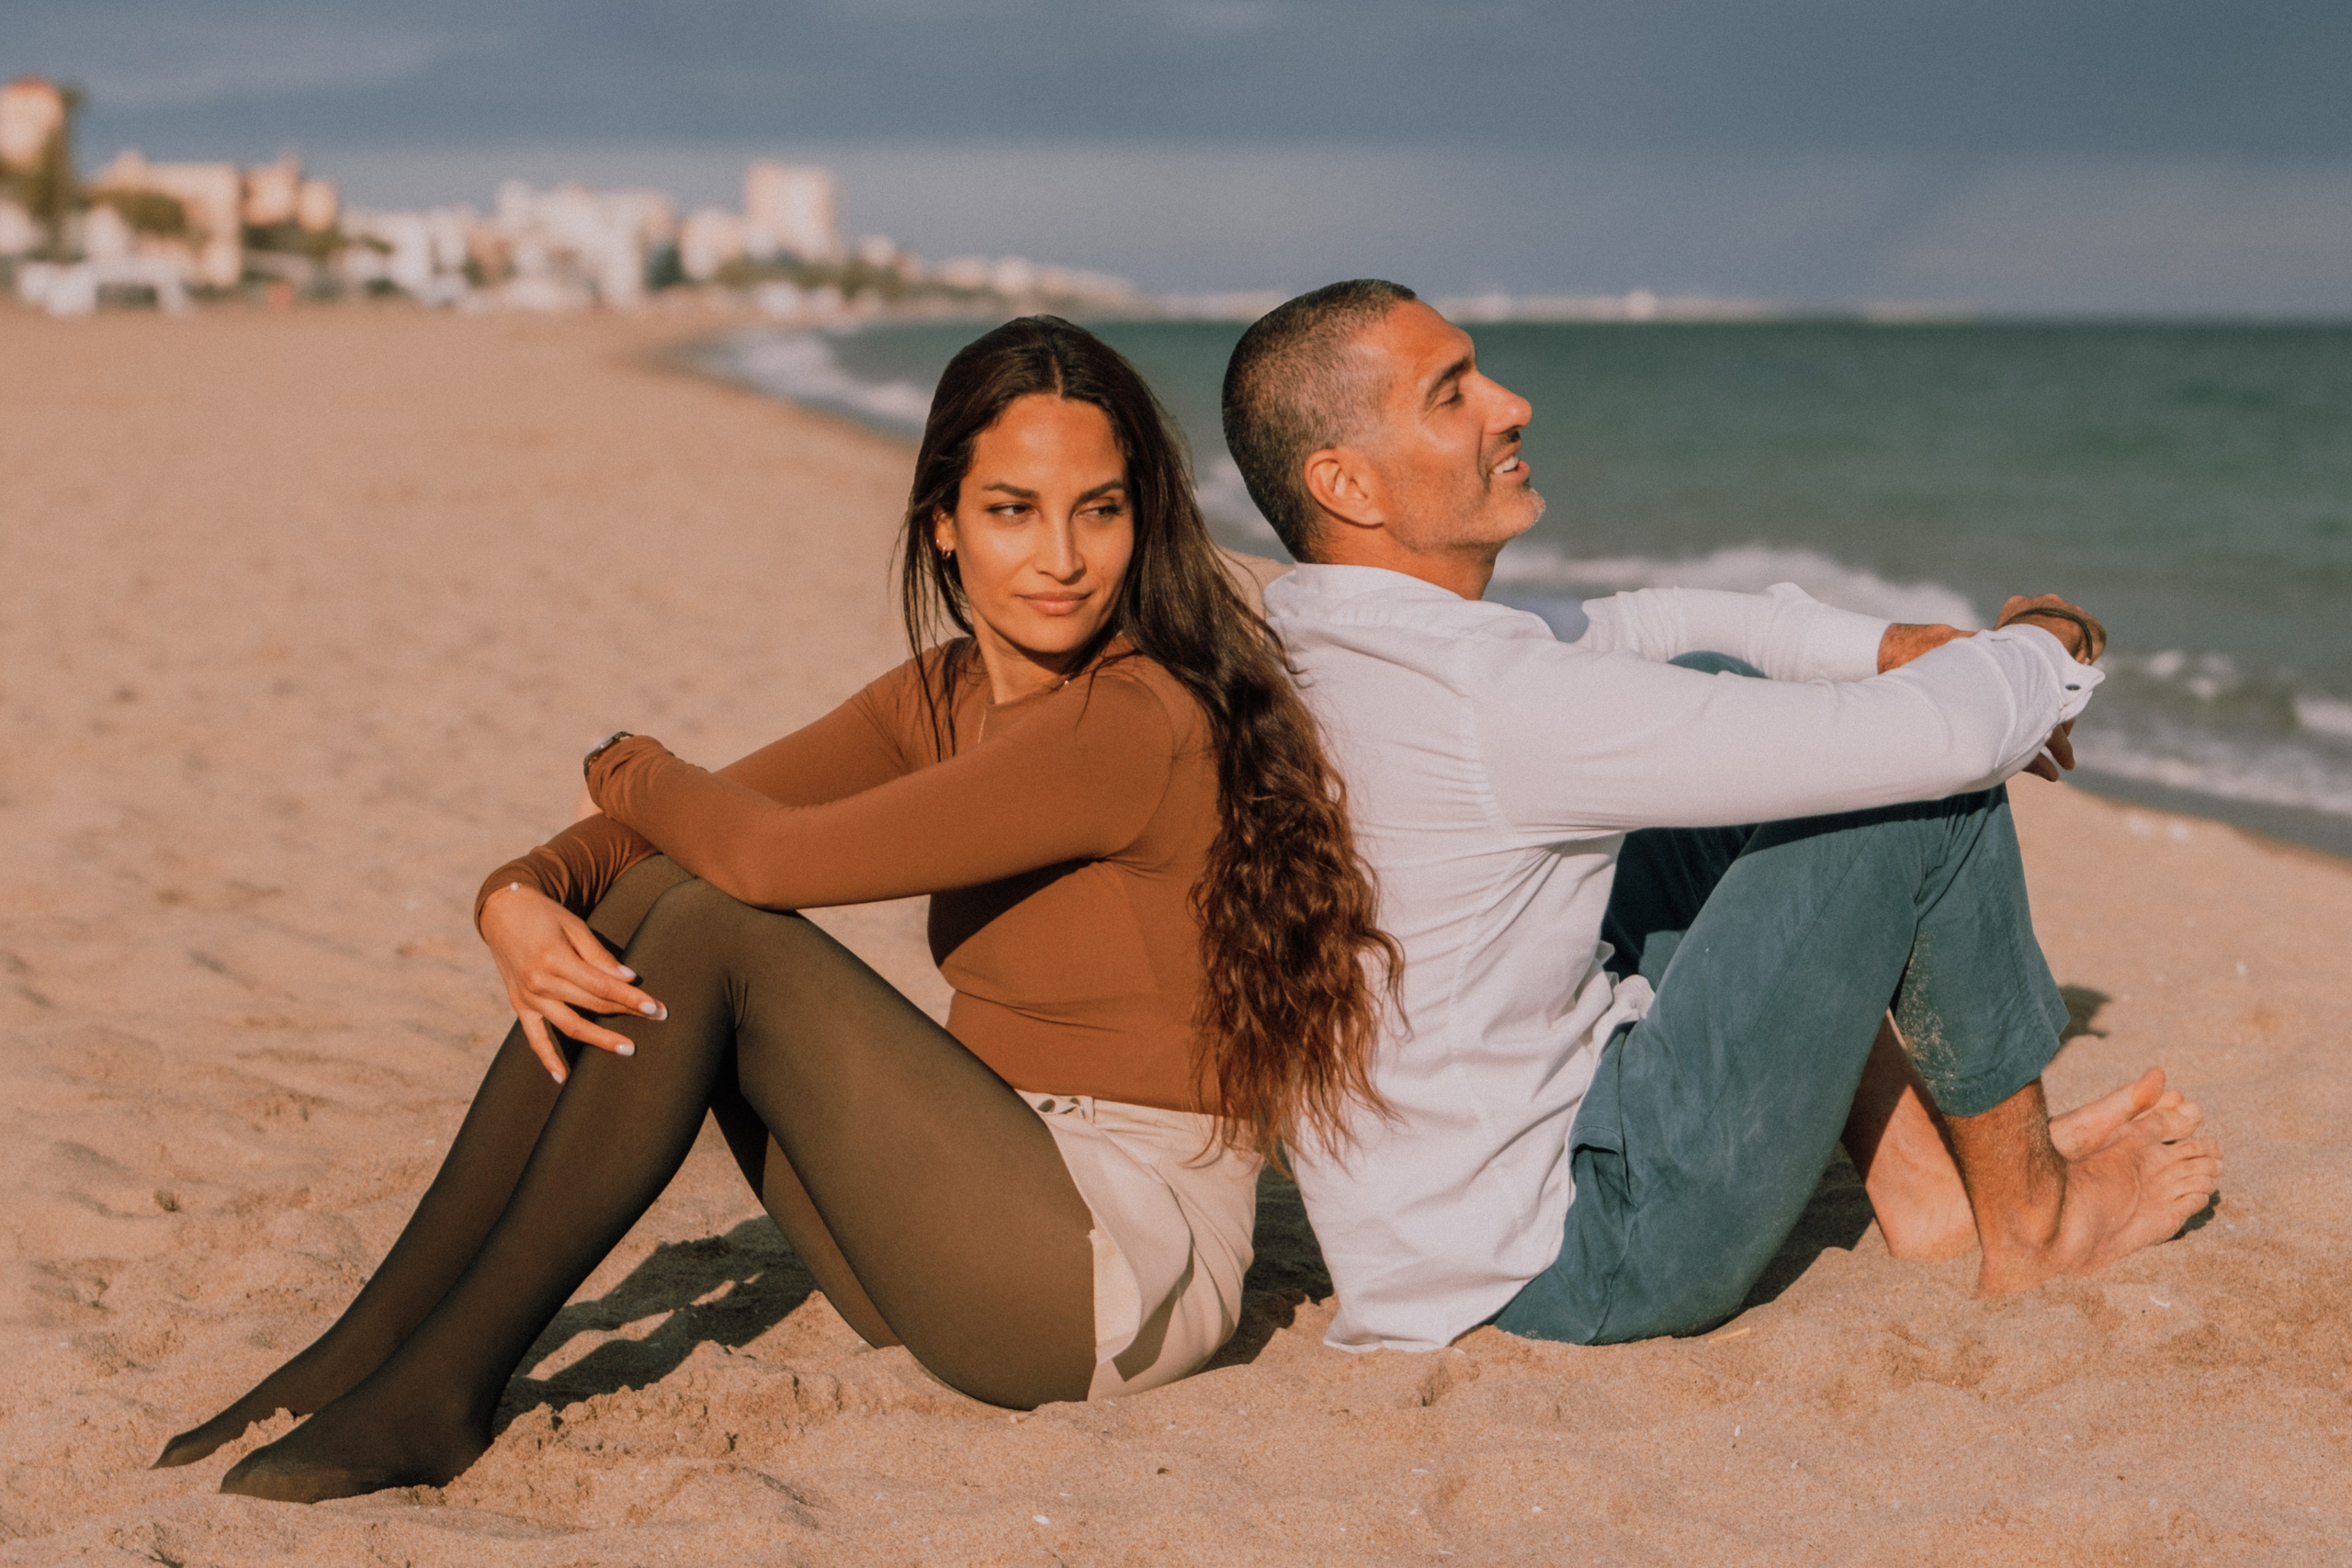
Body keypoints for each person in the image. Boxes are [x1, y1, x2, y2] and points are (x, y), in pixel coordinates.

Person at [154, 316, 1396, 1502]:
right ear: (947, 525)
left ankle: (438, 1384)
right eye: (1013, 511)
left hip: (1114, 1272)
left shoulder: (1135, 721)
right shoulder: (946, 690)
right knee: (655, 894)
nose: (1062, 557)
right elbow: (655, 846)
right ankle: (368, 1344)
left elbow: (761, 853)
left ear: (1145, 520)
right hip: (956, 1232)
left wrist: (617, 753)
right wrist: (517, 896)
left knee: (717, 920)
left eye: (1100, 510)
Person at [1222, 279, 2223, 1354]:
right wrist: (2044, 641)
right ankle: (2038, 1216)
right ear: (1346, 483)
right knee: (1923, 788)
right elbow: (1943, 744)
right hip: (1585, 1254)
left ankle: (1924, 1184)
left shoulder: (1333, 645)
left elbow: (1658, 626)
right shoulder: (1489, 703)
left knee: (1711, 684)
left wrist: (1881, 647)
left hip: (1451, 1230)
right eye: (1451, 394)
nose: (1509, 405)